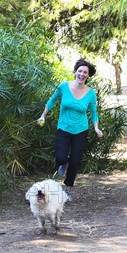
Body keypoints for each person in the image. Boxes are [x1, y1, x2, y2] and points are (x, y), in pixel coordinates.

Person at [37, 58, 103, 191]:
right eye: (80, 71)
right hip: (63, 128)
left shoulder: (90, 93)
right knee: (61, 157)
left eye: (85, 72)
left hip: (81, 130)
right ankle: (62, 164)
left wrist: (96, 128)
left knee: (75, 161)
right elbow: (52, 101)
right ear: (75, 72)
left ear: (88, 75)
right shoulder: (63, 87)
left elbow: (93, 112)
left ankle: (68, 186)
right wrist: (43, 115)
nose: (82, 74)